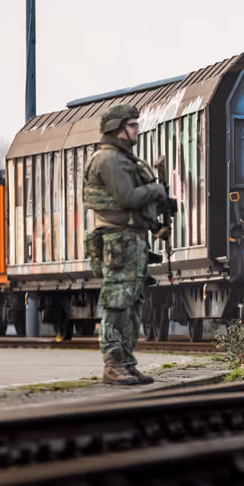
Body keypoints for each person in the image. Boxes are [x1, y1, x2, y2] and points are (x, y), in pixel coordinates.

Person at [82, 103, 171, 385]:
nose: (136, 130)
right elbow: (127, 199)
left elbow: (135, 207)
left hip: (133, 240)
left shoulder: (125, 159)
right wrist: (156, 190)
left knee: (132, 302)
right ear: (117, 129)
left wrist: (156, 225)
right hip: (118, 241)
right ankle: (113, 363)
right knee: (117, 302)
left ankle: (126, 362)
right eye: (132, 125)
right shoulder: (109, 160)